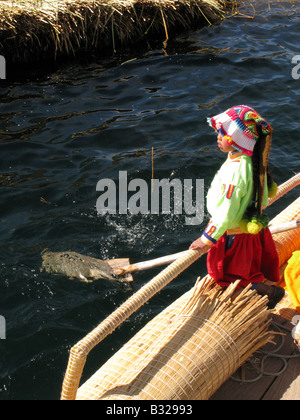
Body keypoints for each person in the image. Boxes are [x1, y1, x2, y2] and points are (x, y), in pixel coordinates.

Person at [189, 105, 285, 309]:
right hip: (246, 228)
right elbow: (265, 195)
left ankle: (266, 292)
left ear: (237, 140)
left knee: (233, 274)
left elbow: (227, 210)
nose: (218, 136)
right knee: (248, 267)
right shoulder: (249, 159)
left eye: (222, 133)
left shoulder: (235, 171)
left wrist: (206, 238)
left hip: (234, 234)